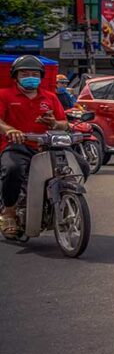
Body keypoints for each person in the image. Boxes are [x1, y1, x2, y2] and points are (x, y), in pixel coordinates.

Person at [0, 56, 70, 238]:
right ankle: (9, 212)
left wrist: (54, 123)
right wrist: (10, 130)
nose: (30, 77)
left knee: (80, 166)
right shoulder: (4, 95)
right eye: (25, 74)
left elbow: (64, 123)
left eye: (34, 74)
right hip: (17, 146)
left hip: (47, 146)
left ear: (40, 77)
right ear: (15, 76)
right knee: (12, 170)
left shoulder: (51, 97)